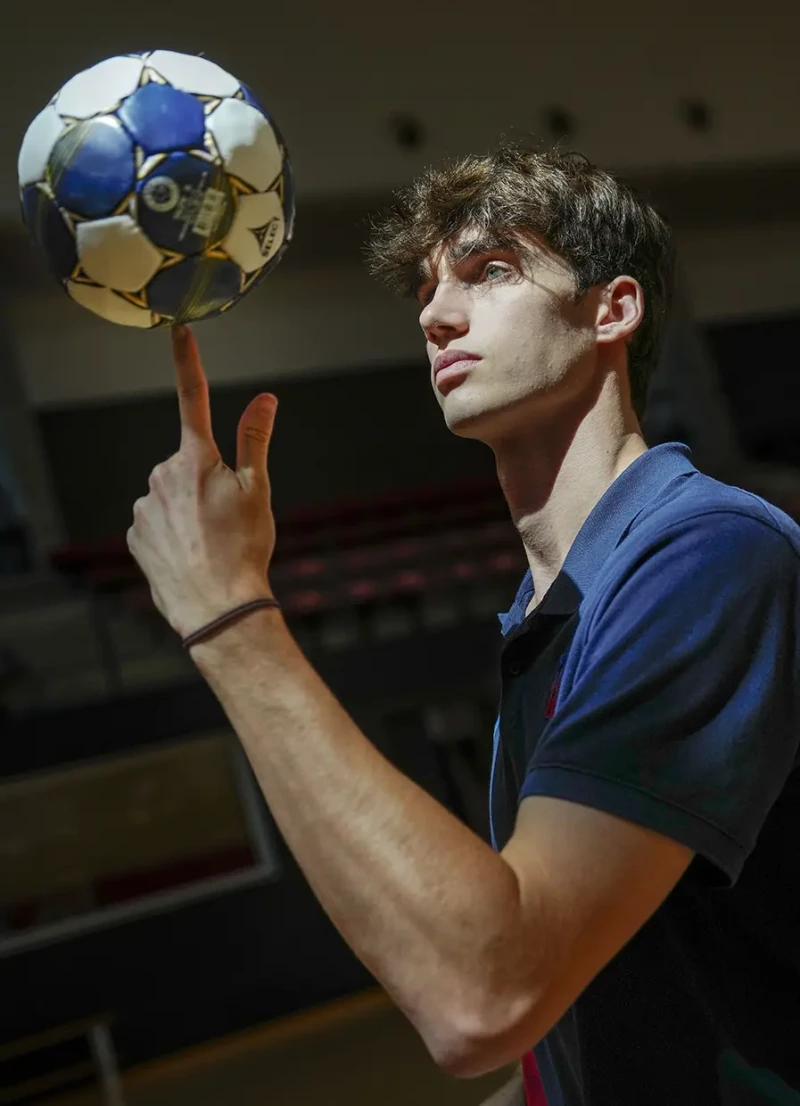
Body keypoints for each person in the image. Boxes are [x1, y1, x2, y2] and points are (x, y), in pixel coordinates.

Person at [127, 143, 800, 1106]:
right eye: (427, 287)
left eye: (490, 272)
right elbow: (606, 1005)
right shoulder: (548, 610)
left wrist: (229, 614)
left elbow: (486, 995)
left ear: (612, 310)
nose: (435, 315)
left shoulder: (711, 556)